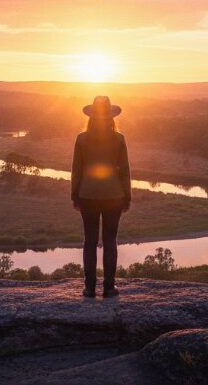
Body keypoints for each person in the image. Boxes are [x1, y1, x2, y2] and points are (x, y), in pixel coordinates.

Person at [71, 95, 131, 297]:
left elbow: (76, 171)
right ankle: (109, 287)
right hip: (114, 195)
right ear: (111, 117)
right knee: (110, 241)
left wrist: (75, 195)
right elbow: (124, 171)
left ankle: (89, 288)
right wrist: (127, 196)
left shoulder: (81, 139)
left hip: (87, 195)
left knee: (89, 241)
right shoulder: (119, 139)